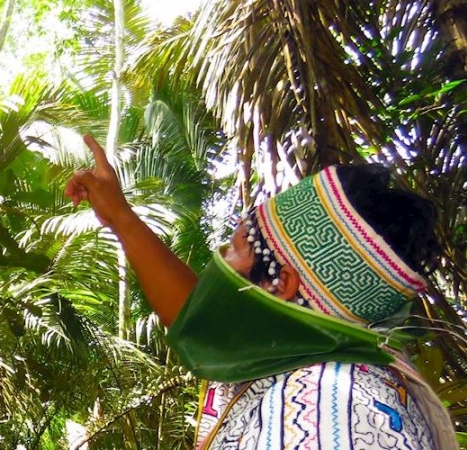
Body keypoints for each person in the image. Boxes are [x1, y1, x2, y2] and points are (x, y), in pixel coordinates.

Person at [65, 134, 458, 449]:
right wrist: (119, 216)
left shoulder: (320, 409)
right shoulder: (324, 357)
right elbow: (202, 322)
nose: (219, 257)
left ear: (283, 284)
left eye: (236, 248)